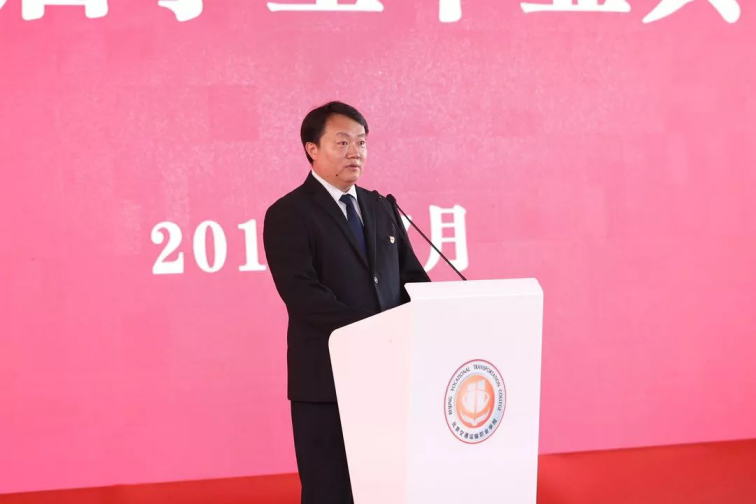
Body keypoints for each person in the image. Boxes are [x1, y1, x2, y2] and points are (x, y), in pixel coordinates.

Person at [263, 101, 430, 504]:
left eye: (361, 142)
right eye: (342, 142)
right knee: (331, 491)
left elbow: (411, 280)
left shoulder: (380, 206)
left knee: (390, 489)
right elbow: (303, 295)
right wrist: (375, 331)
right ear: (312, 149)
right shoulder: (289, 213)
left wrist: (437, 313)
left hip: (389, 379)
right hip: (328, 382)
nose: (355, 152)